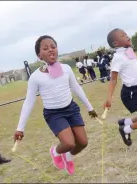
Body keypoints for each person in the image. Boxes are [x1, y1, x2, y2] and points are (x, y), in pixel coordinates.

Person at [14, 35, 98, 175]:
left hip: (71, 108)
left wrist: (90, 107)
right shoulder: (35, 77)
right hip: (54, 114)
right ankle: (55, 151)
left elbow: (77, 88)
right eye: (45, 48)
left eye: (53, 47)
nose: (51, 50)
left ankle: (68, 157)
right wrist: (20, 128)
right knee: (69, 143)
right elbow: (29, 102)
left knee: (82, 142)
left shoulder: (66, 69)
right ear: (39, 56)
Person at [104, 28, 137, 146]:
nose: (127, 36)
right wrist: (109, 98)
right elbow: (113, 79)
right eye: (123, 36)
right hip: (131, 93)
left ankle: (124, 122)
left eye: (126, 34)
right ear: (115, 44)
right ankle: (125, 129)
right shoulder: (117, 57)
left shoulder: (129, 51)